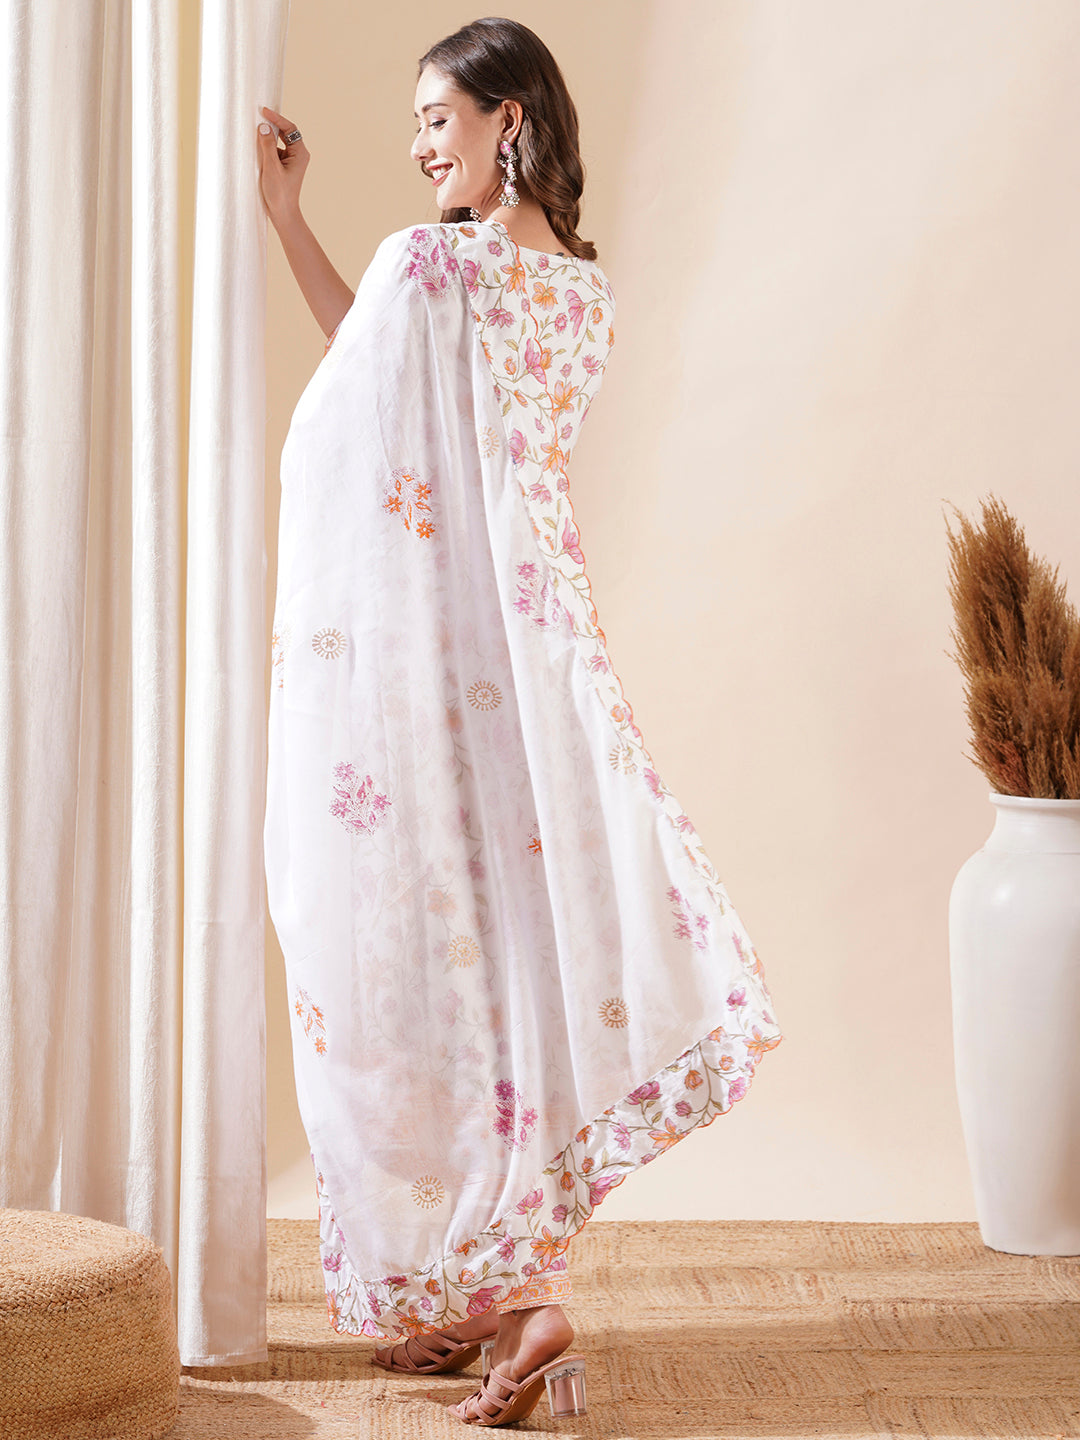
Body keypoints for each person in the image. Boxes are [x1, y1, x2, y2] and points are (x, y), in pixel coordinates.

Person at [258, 16, 782, 1428]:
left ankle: (522, 1293)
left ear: (511, 119)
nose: (419, 145)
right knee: (509, 960)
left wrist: (288, 222)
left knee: (424, 959)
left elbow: (351, 405)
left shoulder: (428, 268)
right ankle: (492, 1288)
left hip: (433, 673)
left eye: (438, 117)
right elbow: (394, 381)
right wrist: (296, 220)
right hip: (540, 666)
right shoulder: (583, 296)